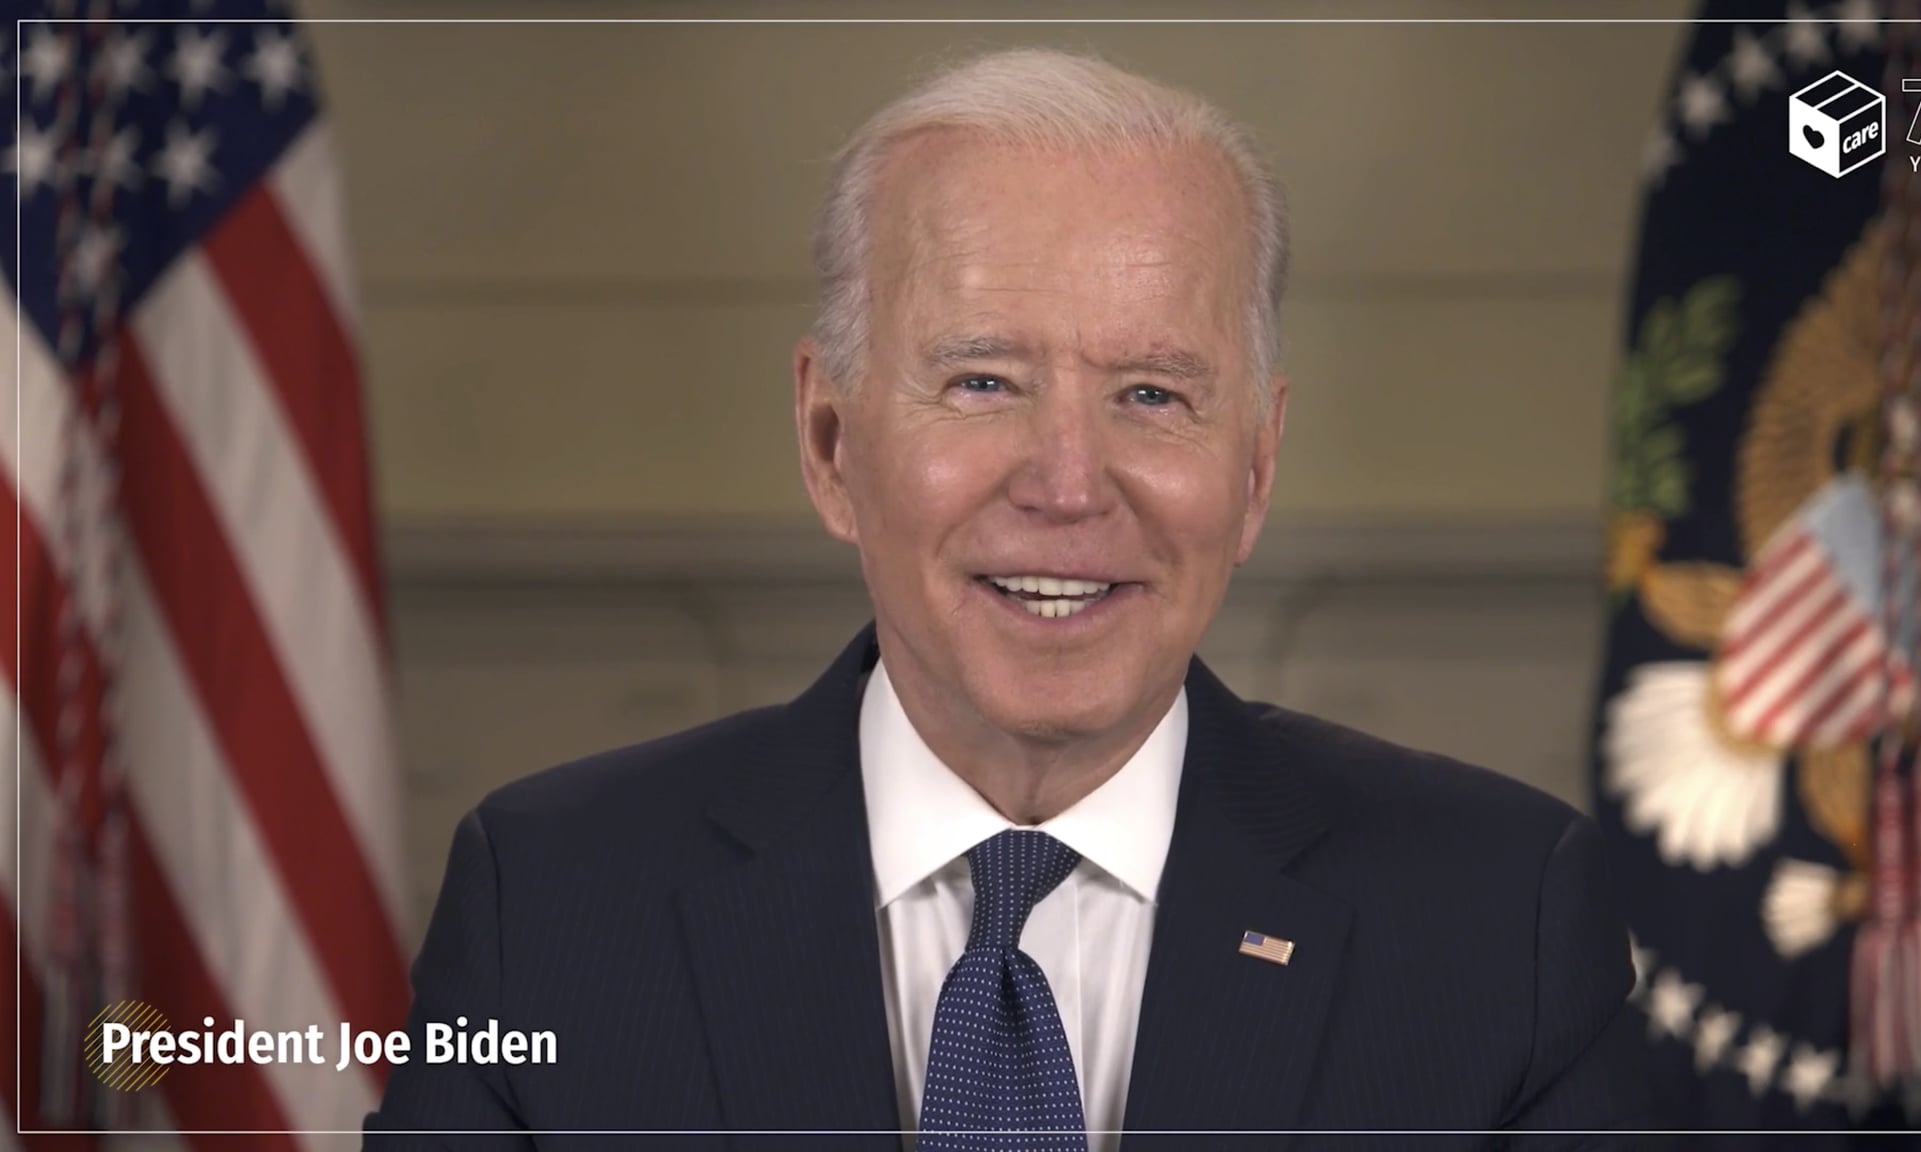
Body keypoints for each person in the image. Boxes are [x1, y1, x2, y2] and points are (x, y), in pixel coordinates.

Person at [365, 48, 1655, 1149]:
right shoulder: (555, 900)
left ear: (1254, 469)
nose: (1068, 483)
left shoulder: (1503, 922)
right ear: (828, 443)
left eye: (1153, 394)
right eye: (982, 382)